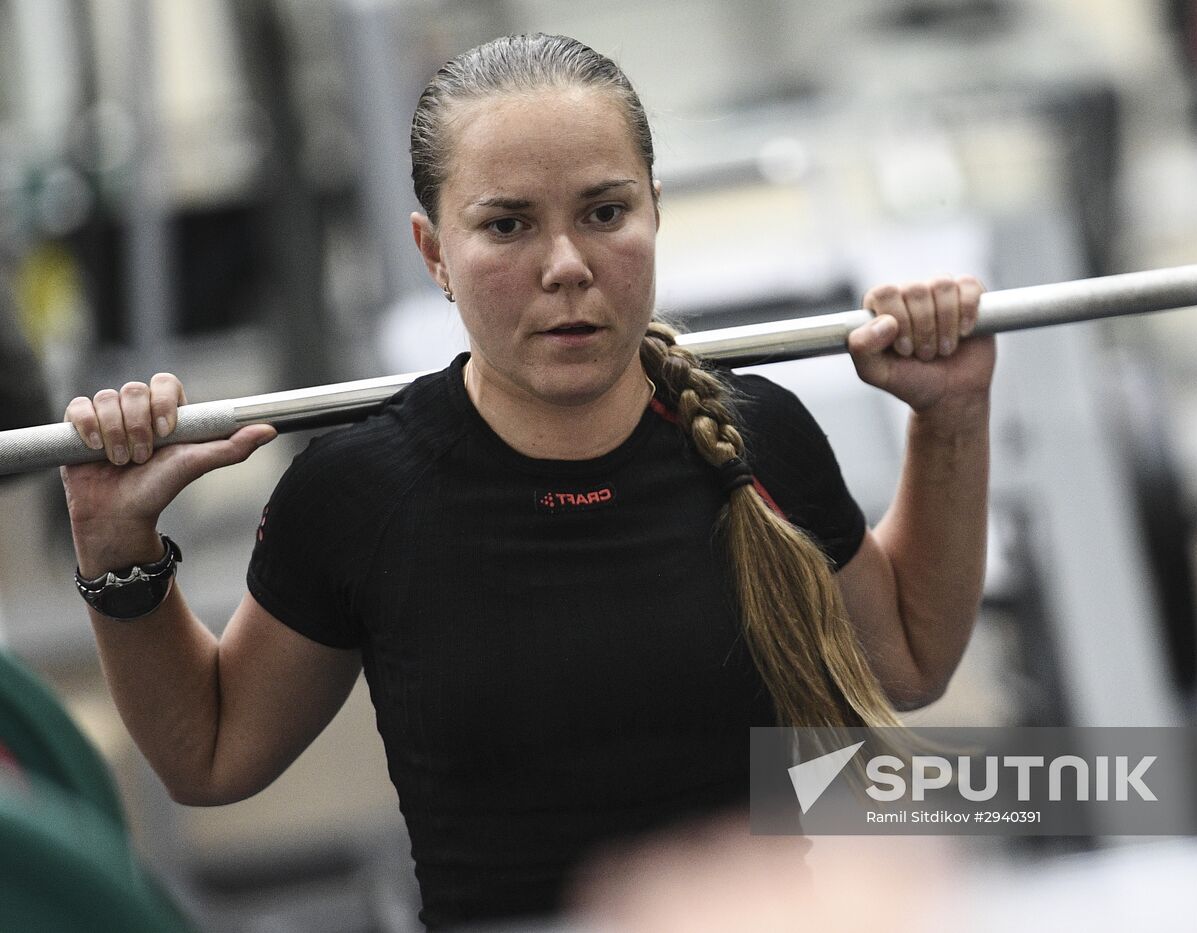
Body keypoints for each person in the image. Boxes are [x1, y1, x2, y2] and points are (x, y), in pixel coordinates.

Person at [59, 34, 995, 929]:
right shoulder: (360, 494)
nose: (566, 267)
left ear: (655, 212)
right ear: (434, 253)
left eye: (604, 212)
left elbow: (907, 661)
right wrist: (116, 549)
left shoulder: (760, 440)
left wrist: (948, 417)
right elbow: (210, 755)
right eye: (507, 225)